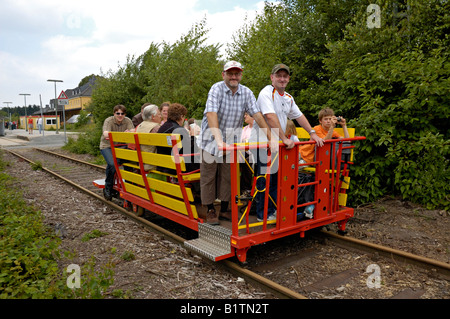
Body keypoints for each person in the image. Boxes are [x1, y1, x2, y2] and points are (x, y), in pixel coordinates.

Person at [197, 60, 277, 225]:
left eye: (237, 73)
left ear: (240, 75)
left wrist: (271, 137)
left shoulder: (246, 92)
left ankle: (225, 209)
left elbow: (256, 114)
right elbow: (211, 113)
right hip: (210, 139)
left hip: (232, 141)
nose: (233, 76)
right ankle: (211, 209)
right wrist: (219, 140)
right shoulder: (216, 89)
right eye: (230, 73)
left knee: (228, 176)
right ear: (223, 75)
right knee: (209, 176)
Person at [250, 63, 323, 222]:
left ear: (288, 79)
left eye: (285, 76)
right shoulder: (266, 93)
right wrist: (283, 138)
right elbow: (269, 116)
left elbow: (299, 116)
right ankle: (263, 214)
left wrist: (312, 133)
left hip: (276, 144)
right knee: (265, 178)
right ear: (272, 77)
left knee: (276, 179)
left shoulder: (288, 97)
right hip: (262, 142)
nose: (282, 79)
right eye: (279, 76)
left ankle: (273, 210)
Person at [99, 105, 134, 200]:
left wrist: (130, 132)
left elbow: (133, 131)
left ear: (125, 114)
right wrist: (123, 134)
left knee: (130, 162)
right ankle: (108, 187)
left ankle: (129, 187)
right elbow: (105, 133)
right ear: (114, 113)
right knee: (113, 164)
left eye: (122, 113)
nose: (120, 115)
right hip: (107, 146)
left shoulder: (127, 121)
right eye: (117, 113)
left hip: (120, 146)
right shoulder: (109, 121)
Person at [157, 103, 199, 175]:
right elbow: (193, 149)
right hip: (179, 168)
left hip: (165, 166)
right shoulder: (179, 130)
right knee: (209, 164)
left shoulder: (162, 128)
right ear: (181, 116)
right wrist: (192, 135)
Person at [135, 104, 162, 171]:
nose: (160, 116)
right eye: (159, 114)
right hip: (154, 164)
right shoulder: (156, 128)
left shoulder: (139, 126)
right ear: (153, 117)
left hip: (142, 162)